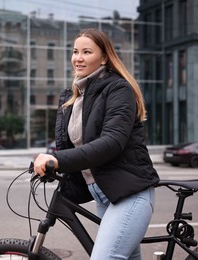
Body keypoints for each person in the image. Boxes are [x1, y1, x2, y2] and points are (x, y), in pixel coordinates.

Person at [34, 28, 160, 260]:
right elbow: (70, 147)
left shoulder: (118, 89)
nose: (78, 57)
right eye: (75, 51)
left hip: (129, 192)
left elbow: (111, 142)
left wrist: (58, 161)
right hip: (103, 194)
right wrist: (46, 161)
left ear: (103, 57)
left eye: (86, 52)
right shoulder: (74, 97)